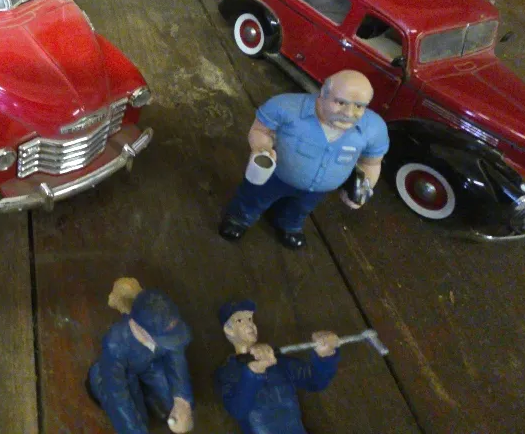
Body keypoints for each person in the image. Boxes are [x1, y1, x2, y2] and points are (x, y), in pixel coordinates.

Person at [219, 70, 388, 250]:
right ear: (323, 93)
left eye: (359, 106)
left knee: (300, 209)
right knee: (254, 197)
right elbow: (260, 130)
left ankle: (288, 225)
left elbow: (371, 163)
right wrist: (262, 147)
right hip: (274, 176)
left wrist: (362, 188)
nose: (349, 113)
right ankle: (240, 218)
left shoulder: (374, 128)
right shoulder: (285, 107)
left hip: (318, 191)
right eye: (340, 102)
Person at [213, 300, 340, 434]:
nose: (250, 324)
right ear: (229, 329)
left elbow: (315, 381)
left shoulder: (280, 363)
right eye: (240, 321)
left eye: (250, 319)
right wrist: (254, 372)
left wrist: (326, 356)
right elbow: (237, 409)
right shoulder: (228, 372)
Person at [87, 278, 194, 434]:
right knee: (137, 420)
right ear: (138, 328)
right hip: (120, 374)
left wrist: (182, 400)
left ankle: (153, 400)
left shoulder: (168, 333)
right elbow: (117, 394)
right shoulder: (115, 343)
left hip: (150, 363)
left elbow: (177, 361)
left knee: (171, 405)